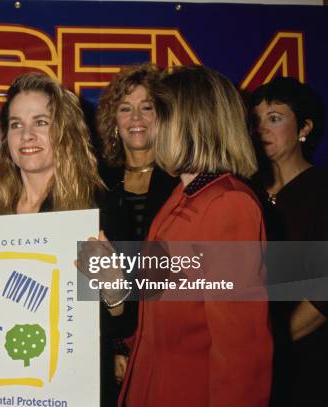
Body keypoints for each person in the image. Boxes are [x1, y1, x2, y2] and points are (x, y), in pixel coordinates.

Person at [84, 65, 273, 407]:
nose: (147, 124)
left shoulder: (229, 204)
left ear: (191, 123)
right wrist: (115, 287)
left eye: (159, 113)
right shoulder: (181, 196)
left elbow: (242, 351)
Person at [96, 63, 179, 404]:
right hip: (110, 332)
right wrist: (116, 346)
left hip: (170, 336)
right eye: (126, 108)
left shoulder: (181, 179)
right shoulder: (98, 182)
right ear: (113, 120)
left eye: (147, 108)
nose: (136, 118)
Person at [249, 76, 327, 407]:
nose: (262, 129)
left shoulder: (322, 190)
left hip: (307, 361)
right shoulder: (245, 192)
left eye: (275, 118)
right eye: (256, 120)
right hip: (251, 363)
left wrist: (274, 343)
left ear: (304, 128)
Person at [0, 72, 103, 215]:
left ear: (66, 132)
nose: (26, 135)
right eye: (16, 124)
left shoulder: (99, 208)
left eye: (40, 122)